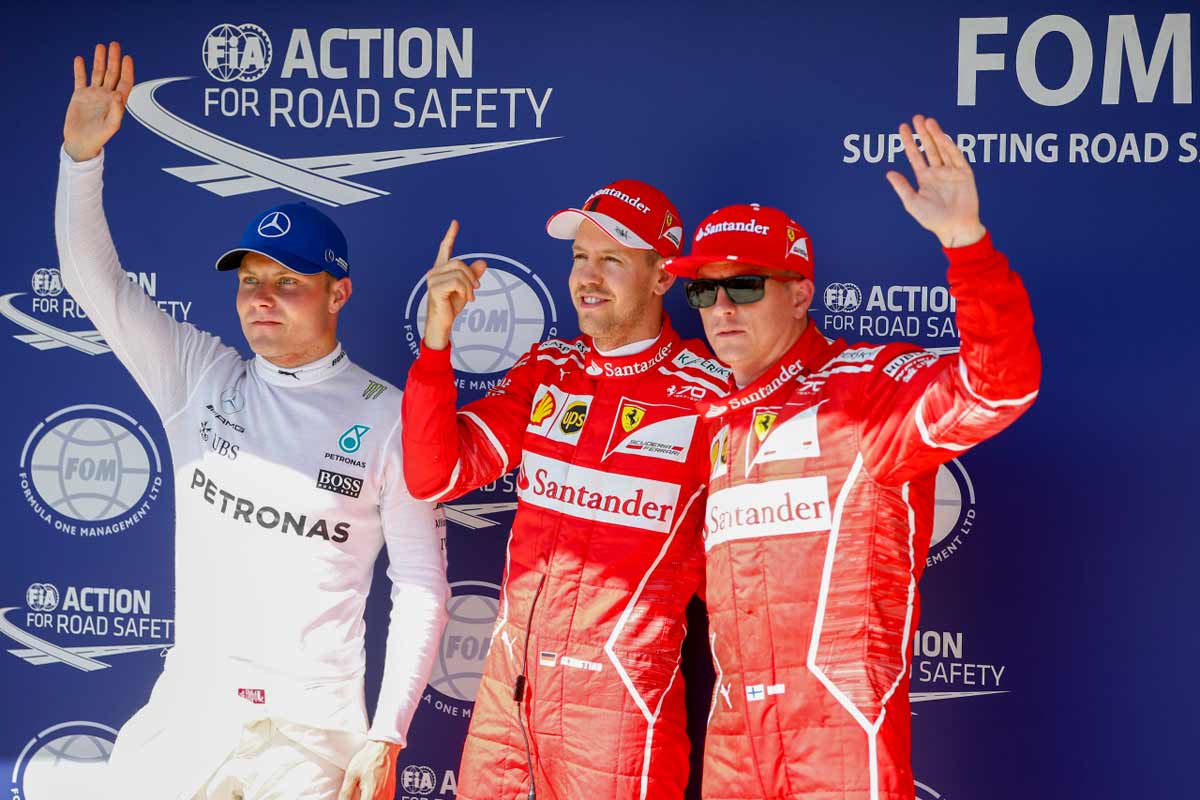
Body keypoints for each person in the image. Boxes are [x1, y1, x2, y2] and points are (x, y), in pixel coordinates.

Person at [57, 42, 449, 800]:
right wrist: (80, 160)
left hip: (310, 739)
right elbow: (91, 282)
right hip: (188, 714)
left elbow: (423, 585)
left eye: (287, 282)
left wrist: (388, 732)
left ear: (339, 293)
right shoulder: (198, 373)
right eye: (249, 279)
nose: (260, 297)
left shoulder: (389, 416)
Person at [661, 115, 1041, 800]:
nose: (720, 307)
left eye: (744, 286)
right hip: (730, 736)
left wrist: (966, 244)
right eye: (703, 290)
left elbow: (1000, 385)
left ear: (801, 293)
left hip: (838, 731)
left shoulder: (867, 390)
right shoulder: (706, 412)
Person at [401, 180, 732, 799]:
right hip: (506, 693)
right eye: (581, 257)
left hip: (620, 707)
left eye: (613, 259)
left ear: (662, 276)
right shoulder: (549, 371)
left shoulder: (713, 395)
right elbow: (434, 475)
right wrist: (437, 343)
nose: (588, 276)